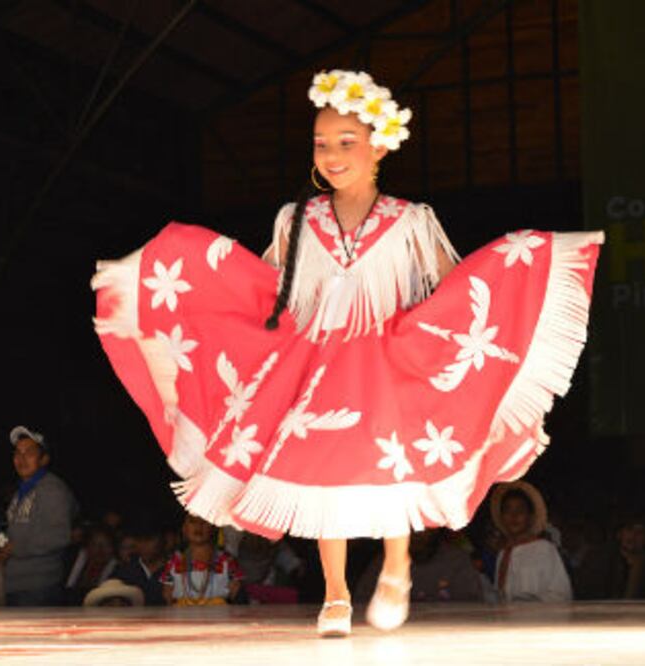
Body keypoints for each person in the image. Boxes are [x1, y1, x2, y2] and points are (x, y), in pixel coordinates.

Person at [91, 69, 602, 636]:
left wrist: (486, 297)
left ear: (379, 145)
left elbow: (451, 286)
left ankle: (398, 563)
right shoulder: (300, 219)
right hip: (317, 365)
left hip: (388, 360)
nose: (332, 154)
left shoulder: (409, 221)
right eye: (322, 143)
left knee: (394, 461)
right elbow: (270, 289)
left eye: (346, 142)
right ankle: (335, 594)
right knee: (320, 468)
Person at [3, 426, 78, 606]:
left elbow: (59, 536)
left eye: (29, 453)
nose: (21, 459)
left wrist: (14, 547)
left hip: (39, 587)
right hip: (18, 585)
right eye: (18, 453)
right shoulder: (22, 491)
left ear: (44, 459)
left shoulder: (52, 490)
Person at [490, 481, 572, 603]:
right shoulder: (503, 553)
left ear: (530, 516)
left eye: (520, 510)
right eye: (508, 510)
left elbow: (562, 594)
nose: (514, 516)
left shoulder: (545, 549)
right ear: (502, 517)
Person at [354, 528, 484, 603]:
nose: (419, 532)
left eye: (424, 527)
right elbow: (361, 603)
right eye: (412, 527)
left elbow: (474, 604)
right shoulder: (385, 563)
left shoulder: (456, 561)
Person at [161, 514, 243, 606]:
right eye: (192, 521)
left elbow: (235, 593)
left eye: (204, 522)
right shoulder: (174, 561)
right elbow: (167, 595)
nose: (199, 526)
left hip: (218, 616)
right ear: (184, 528)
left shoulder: (227, 561)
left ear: (213, 527)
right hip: (182, 616)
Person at [575, 513, 645, 599]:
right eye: (629, 529)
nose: (634, 535)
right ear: (619, 534)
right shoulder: (600, 558)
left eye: (640, 532)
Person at [113, 523, 168, 606]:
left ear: (162, 541)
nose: (143, 546)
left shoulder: (175, 571)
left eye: (149, 540)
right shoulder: (124, 572)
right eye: (139, 541)